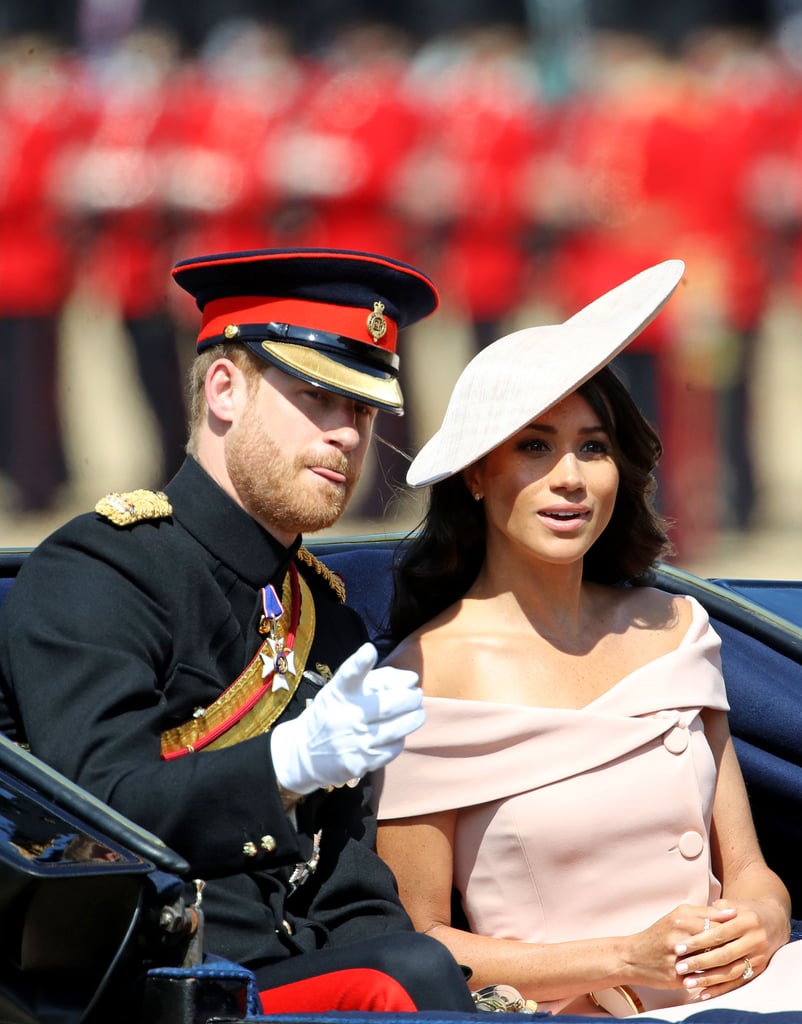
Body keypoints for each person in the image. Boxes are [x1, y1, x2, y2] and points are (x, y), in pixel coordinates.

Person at [0, 247, 476, 1014]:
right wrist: (284, 766)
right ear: (224, 389)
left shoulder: (327, 619)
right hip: (158, 987)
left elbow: (350, 895)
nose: (348, 436)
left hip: (298, 981)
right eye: (319, 398)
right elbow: (96, 817)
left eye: (360, 409)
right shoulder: (100, 570)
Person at [375, 258, 802, 1018]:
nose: (570, 477)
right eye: (535, 446)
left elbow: (751, 871)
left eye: (594, 447)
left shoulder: (677, 629)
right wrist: (619, 958)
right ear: (477, 474)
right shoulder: (421, 678)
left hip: (753, 995)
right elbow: (416, 947)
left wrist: (763, 921)